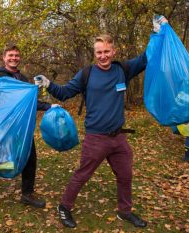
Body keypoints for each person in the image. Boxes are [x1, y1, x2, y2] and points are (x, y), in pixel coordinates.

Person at [35, 33, 155, 228]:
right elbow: (65, 93)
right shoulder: (86, 74)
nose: (103, 56)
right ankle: (64, 207)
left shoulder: (123, 70)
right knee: (83, 174)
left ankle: (124, 212)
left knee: (125, 175)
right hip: (96, 138)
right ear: (94, 53)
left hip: (119, 138)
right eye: (99, 52)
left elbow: (146, 57)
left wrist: (157, 34)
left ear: (113, 51)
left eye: (107, 51)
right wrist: (48, 84)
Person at [0, 44, 56, 208]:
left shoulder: (23, 79)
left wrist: (49, 106)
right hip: (4, 128)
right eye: (10, 55)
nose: (14, 58)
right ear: (4, 57)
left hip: (22, 128)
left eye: (16, 55)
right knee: (2, 160)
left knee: (30, 158)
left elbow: (30, 101)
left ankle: (27, 194)